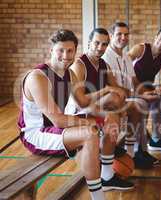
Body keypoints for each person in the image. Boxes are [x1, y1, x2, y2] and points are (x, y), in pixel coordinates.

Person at [17, 29, 120, 200]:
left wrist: (105, 117)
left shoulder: (70, 74)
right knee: (89, 134)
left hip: (55, 130)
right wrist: (93, 124)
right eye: (60, 50)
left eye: (70, 51)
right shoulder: (39, 77)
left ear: (75, 51)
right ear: (51, 50)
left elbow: (83, 102)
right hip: (35, 133)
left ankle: (106, 175)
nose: (66, 55)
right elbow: (58, 120)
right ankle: (99, 197)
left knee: (108, 118)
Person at [64, 28, 134, 191]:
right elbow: (81, 101)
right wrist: (108, 96)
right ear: (89, 43)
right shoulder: (79, 65)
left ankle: (108, 174)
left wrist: (119, 100)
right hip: (77, 113)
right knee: (113, 104)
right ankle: (107, 173)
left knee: (120, 105)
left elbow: (118, 90)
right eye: (96, 43)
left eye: (104, 44)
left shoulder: (103, 64)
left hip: (95, 110)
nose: (100, 47)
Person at [102, 22, 161, 169]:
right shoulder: (105, 57)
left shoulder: (126, 56)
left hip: (126, 96)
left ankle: (140, 150)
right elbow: (112, 88)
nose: (123, 37)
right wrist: (140, 95)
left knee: (148, 100)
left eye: (126, 34)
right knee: (139, 104)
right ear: (111, 36)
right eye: (119, 34)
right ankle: (134, 152)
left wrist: (146, 92)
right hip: (111, 99)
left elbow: (135, 81)